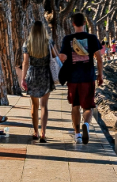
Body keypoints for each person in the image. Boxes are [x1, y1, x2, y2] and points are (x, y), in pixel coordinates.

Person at [58, 12, 104, 143]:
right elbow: (99, 59)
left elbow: (62, 57)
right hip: (88, 77)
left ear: (72, 24)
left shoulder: (67, 39)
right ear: (85, 23)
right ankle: (87, 125)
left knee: (75, 106)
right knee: (88, 106)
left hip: (72, 78)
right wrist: (100, 75)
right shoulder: (92, 38)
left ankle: (77, 134)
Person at [20, 19, 53, 142]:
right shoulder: (49, 42)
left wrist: (23, 79)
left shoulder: (27, 43)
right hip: (46, 74)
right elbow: (54, 56)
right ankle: (43, 132)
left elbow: (25, 62)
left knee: (34, 105)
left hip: (33, 74)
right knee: (44, 105)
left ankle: (35, 131)